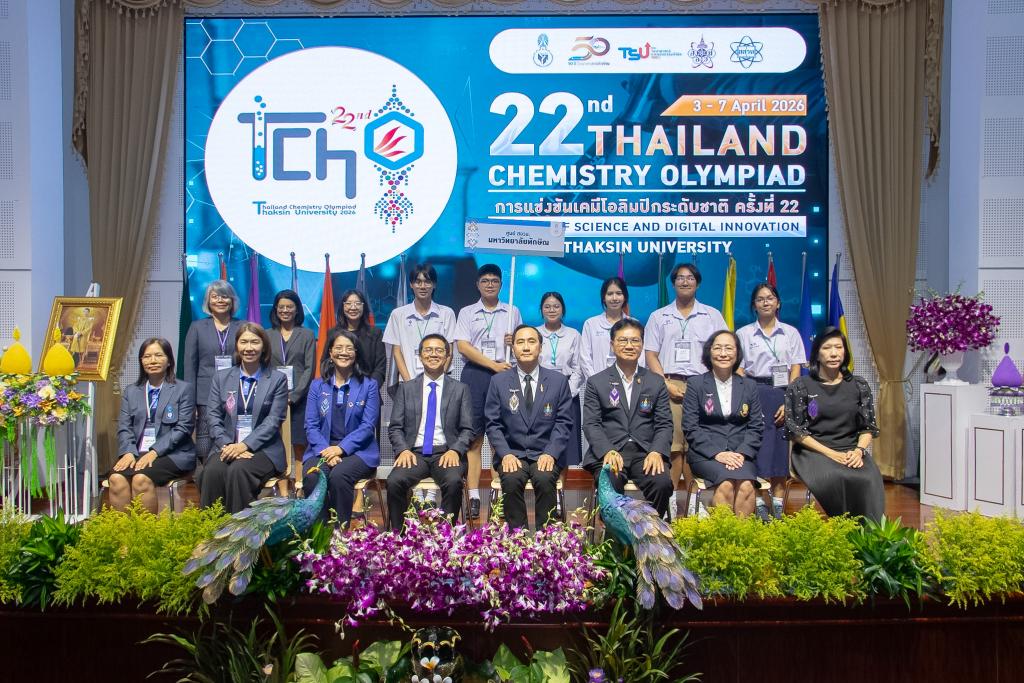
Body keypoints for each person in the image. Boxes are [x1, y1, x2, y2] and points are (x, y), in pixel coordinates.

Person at [644, 263, 727, 517]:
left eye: (690, 278)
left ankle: (695, 503)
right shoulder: (659, 316)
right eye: (680, 278)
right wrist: (664, 384)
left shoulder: (712, 315)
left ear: (697, 283)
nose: (685, 282)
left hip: (703, 386)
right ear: (673, 283)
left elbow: (724, 349)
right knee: (673, 446)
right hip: (669, 384)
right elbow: (650, 354)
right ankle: (669, 501)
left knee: (696, 446)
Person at [784, 327, 884, 521]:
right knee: (839, 476)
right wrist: (832, 454)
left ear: (845, 352)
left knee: (868, 478)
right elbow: (796, 431)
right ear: (817, 354)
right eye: (827, 348)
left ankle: (869, 534)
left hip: (850, 450)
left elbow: (867, 427)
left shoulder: (859, 385)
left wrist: (858, 451)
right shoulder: (801, 385)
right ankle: (843, 528)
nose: (833, 353)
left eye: (838, 347)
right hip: (812, 452)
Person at [582, 318, 675, 517]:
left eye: (635, 340)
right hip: (612, 450)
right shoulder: (597, 382)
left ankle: (650, 530)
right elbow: (591, 423)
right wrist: (607, 450)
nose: (629, 346)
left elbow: (664, 424)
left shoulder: (655, 381)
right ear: (612, 344)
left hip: (646, 451)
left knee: (662, 483)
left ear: (642, 344)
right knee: (610, 483)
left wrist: (657, 451)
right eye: (623, 340)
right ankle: (615, 534)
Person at [485, 325, 573, 530]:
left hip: (545, 453)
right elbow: (493, 424)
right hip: (512, 453)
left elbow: (564, 423)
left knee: (544, 478)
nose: (526, 347)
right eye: (520, 342)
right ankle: (518, 539)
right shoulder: (498, 381)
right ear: (513, 348)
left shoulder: (558, 381)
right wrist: (505, 454)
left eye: (531, 342)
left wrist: (551, 453)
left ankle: (546, 539)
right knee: (511, 479)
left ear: (540, 347)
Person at [453, 263, 523, 519]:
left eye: (494, 280)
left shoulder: (512, 310)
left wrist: (513, 342)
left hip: (504, 374)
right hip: (475, 375)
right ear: (478, 285)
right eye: (485, 280)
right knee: (474, 438)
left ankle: (498, 495)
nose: (490, 284)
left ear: (501, 285)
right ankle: (473, 496)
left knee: (498, 437)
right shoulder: (467, 312)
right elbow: (463, 346)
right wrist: (492, 365)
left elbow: (522, 345)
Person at [386, 334, 474, 530]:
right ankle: (400, 537)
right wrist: (403, 450)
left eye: (439, 350)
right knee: (394, 481)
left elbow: (468, 429)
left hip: (446, 453)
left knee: (453, 482)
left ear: (447, 356)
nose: (433, 354)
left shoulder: (460, 389)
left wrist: (455, 450)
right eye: (428, 350)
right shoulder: (406, 389)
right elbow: (395, 427)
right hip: (414, 454)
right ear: (420, 356)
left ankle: (446, 536)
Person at [201, 323, 289, 513]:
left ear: (263, 346)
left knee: (238, 470)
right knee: (212, 471)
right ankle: (211, 527)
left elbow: (274, 421)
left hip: (264, 449)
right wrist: (228, 445)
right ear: (237, 345)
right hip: (227, 446)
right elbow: (212, 416)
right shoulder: (221, 378)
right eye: (244, 342)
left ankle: (241, 528)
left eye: (254, 342)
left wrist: (244, 445)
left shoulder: (277, 379)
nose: (249, 348)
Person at [736, 283, 807, 519]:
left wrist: (789, 400)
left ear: (778, 303)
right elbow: (739, 369)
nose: (765, 302)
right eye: (760, 299)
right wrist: (748, 396)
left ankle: (777, 503)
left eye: (770, 298)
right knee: (756, 448)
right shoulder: (744, 334)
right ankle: (758, 502)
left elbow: (795, 368)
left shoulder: (791, 333)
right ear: (754, 305)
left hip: (782, 393)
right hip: (754, 391)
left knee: (779, 449)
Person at [682, 330, 763, 518]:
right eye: (718, 348)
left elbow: (756, 426)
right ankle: (722, 534)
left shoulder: (749, 386)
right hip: (707, 455)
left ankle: (742, 535)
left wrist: (742, 453)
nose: (723, 353)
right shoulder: (696, 384)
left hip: (740, 456)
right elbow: (690, 427)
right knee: (726, 484)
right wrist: (717, 454)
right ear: (709, 352)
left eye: (729, 348)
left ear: (737, 353)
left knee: (746, 486)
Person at [304, 328, 380, 526]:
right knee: (312, 477)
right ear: (330, 352)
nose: (343, 352)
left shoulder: (369, 385)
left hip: (358, 452)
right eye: (338, 348)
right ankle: (320, 533)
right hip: (322, 449)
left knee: (339, 476)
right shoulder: (317, 386)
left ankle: (340, 532)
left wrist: (340, 449)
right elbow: (311, 425)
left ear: (356, 353)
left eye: (349, 348)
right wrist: (327, 451)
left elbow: (367, 426)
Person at [110, 338, 196, 512]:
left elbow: (183, 428)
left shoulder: (183, 389)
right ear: (141, 361)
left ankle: (146, 529)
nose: (153, 360)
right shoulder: (131, 391)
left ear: (169, 360)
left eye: (158, 355)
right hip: (137, 452)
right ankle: (122, 529)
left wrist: (154, 451)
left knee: (140, 479)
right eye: (147, 356)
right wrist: (128, 451)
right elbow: (124, 427)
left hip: (173, 454)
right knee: (116, 479)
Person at [183, 280, 244, 474]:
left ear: (232, 300)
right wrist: (190, 401)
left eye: (225, 296)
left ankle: (232, 472)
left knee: (233, 431)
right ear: (208, 301)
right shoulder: (197, 327)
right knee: (205, 435)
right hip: (205, 393)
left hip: (236, 391)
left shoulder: (242, 326)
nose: (220, 300)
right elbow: (190, 366)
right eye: (215, 296)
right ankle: (206, 473)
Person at [383, 263, 457, 383]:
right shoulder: (398, 314)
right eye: (418, 282)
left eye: (427, 282)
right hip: (408, 380)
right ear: (411, 285)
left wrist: (437, 380)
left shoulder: (447, 313)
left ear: (434, 284)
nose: (423, 286)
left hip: (439, 382)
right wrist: (409, 384)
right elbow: (397, 352)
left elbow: (449, 352)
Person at [266, 289, 316, 466]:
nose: (285, 310)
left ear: (297, 310)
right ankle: (281, 477)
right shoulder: (267, 334)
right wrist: (275, 394)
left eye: (289, 307)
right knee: (275, 439)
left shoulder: (307, 334)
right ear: (275, 309)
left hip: (300, 398)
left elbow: (309, 368)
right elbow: (265, 366)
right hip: (273, 396)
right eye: (281, 307)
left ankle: (300, 478)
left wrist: (294, 395)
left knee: (300, 441)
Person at [537, 292, 583, 468]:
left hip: (568, 393)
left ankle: (562, 485)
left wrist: (567, 393)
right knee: (541, 441)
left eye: (556, 306)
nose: (552, 310)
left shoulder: (573, 334)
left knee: (565, 445)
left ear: (563, 309)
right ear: (541, 310)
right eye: (547, 306)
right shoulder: (534, 333)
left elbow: (579, 368)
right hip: (540, 392)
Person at [579, 277, 643, 380]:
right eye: (610, 294)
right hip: (598, 382)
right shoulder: (591, 324)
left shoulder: (634, 324)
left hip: (629, 382)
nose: (614, 298)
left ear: (625, 297)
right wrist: (595, 382)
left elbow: (641, 356)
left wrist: (633, 380)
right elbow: (585, 358)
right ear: (603, 298)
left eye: (619, 293)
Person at [335, 289, 387, 388]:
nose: (353, 307)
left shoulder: (375, 334)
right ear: (343, 307)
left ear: (364, 307)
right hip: (338, 390)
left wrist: (367, 389)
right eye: (348, 303)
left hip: (368, 391)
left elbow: (380, 369)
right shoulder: (334, 333)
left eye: (357, 303)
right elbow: (326, 363)